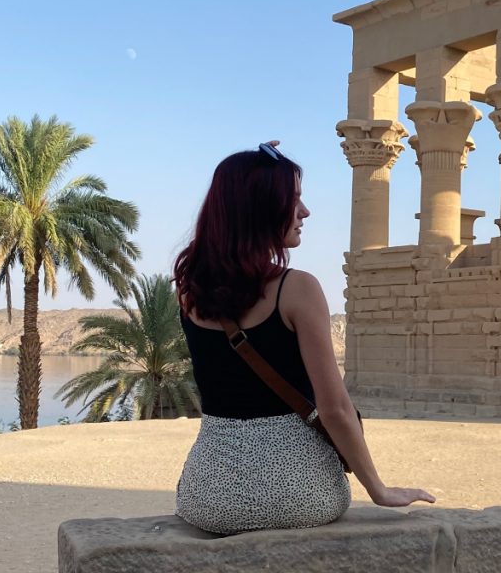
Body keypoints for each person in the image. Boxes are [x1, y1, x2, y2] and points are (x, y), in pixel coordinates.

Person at [173, 141, 435, 534]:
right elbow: (335, 410)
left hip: (208, 496)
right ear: (260, 209)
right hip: (301, 494)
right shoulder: (297, 289)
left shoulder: (189, 290)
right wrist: (378, 489)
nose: (304, 211)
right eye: (292, 199)